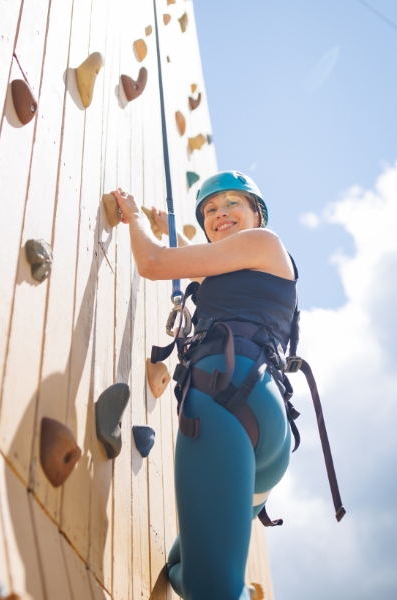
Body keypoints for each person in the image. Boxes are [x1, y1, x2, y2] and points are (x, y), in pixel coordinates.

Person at [112, 170, 297, 600]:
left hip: (221, 403)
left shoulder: (264, 242)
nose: (220, 213)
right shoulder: (248, 267)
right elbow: (198, 265)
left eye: (233, 203)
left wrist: (136, 216)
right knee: (186, 566)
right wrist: (169, 227)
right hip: (267, 434)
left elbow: (154, 263)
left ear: (258, 212)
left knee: (208, 586)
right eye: (210, 209)